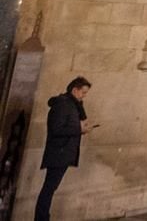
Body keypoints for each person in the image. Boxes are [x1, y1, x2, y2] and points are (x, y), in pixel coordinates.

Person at [35, 77, 92, 221]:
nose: (84, 96)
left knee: (50, 188)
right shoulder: (63, 104)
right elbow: (56, 128)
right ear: (74, 90)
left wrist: (81, 127)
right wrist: (79, 129)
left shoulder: (73, 105)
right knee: (49, 189)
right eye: (83, 92)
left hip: (64, 153)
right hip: (58, 152)